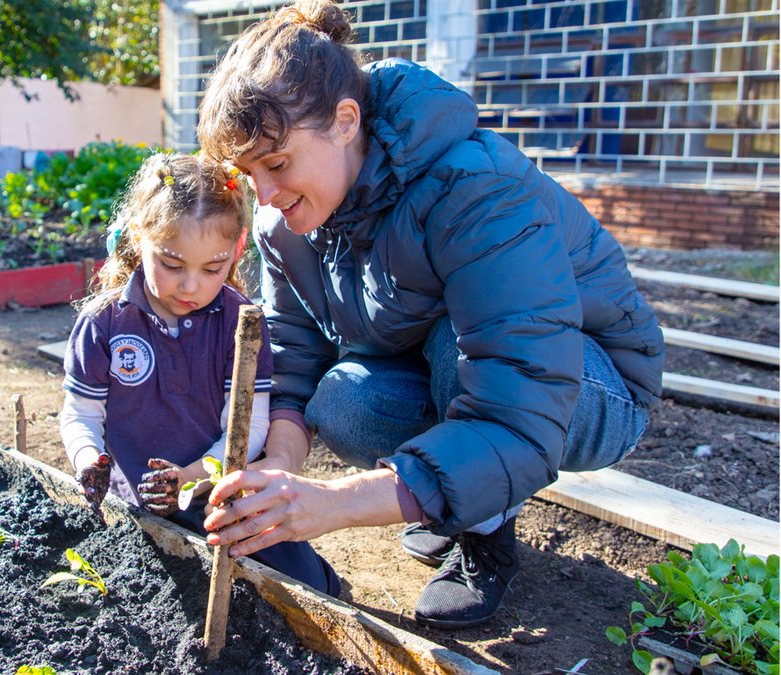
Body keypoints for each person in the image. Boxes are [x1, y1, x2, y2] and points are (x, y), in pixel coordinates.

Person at [195, 0, 663, 628]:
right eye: (248, 175)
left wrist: (333, 503)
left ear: (343, 121)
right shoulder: (287, 224)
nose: (268, 196)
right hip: (465, 370)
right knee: (343, 401)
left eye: (277, 165)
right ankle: (456, 493)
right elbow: (299, 355)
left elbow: (518, 405)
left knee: (455, 345)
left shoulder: (472, 190)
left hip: (587, 388)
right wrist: (277, 471)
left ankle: (484, 532)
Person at [59, 152, 340, 596]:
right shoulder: (104, 322)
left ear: (237, 250)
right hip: (132, 503)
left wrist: (190, 478)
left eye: (213, 268)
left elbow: (249, 428)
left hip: (217, 499)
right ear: (138, 237)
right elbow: (81, 413)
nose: (191, 286)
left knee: (304, 584)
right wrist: (88, 460)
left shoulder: (241, 324)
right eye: (172, 265)